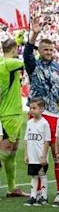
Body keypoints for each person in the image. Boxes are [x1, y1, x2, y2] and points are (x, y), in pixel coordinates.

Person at [23, 19, 59, 203]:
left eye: (51, 50)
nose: (49, 53)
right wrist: (33, 36)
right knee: (36, 156)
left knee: (56, 154)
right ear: (40, 50)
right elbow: (27, 54)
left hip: (55, 115)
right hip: (37, 115)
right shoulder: (33, 66)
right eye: (46, 50)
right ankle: (38, 193)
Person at [0, 38, 28, 198]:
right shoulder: (9, 63)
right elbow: (29, 61)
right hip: (9, 114)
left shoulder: (3, 62)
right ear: (14, 49)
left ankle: (12, 188)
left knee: (11, 154)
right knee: (4, 152)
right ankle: (11, 187)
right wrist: (26, 45)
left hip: (13, 113)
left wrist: (19, 39)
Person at [23, 98, 51, 206]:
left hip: (40, 156)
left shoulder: (44, 124)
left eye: (34, 108)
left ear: (41, 109)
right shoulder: (29, 123)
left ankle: (43, 197)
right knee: (33, 176)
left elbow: (47, 141)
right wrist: (26, 154)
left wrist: (44, 156)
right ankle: (33, 196)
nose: (31, 110)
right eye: (30, 108)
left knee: (42, 174)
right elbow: (26, 140)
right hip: (31, 155)